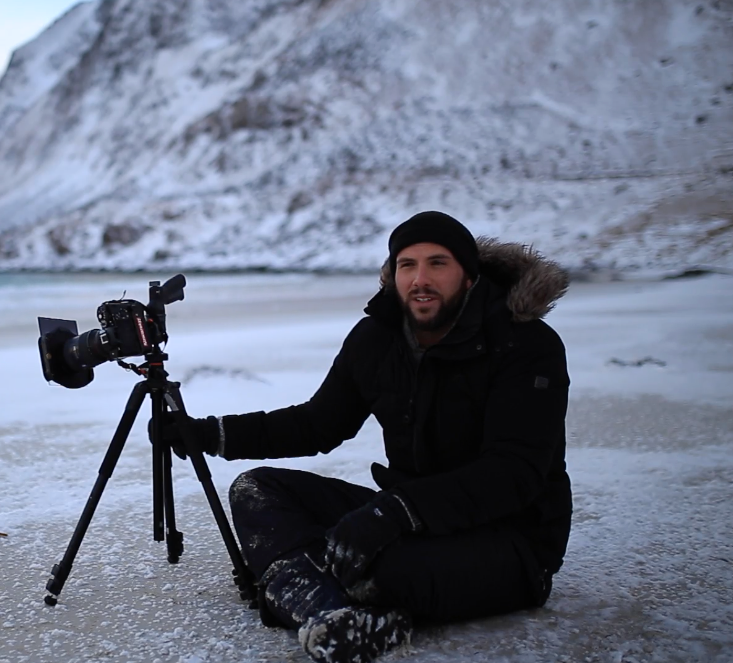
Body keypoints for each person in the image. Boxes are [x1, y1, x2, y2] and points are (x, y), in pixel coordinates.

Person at [155, 211, 572, 663]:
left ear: (469, 277)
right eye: (407, 265)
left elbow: (513, 473)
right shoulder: (378, 338)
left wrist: (395, 511)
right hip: (409, 519)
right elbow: (319, 423)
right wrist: (209, 433)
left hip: (511, 542)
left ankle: (299, 590)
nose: (420, 280)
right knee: (257, 489)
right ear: (392, 275)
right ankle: (331, 614)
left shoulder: (526, 345)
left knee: (379, 567)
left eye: (438, 264)